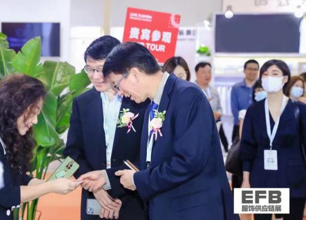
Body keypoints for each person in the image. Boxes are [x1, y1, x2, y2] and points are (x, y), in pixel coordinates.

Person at [99, 42, 237, 220]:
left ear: (134, 74)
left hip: (191, 211)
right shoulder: (152, 106)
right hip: (167, 208)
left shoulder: (188, 95)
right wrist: (107, 177)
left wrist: (138, 180)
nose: (120, 93)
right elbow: (153, 161)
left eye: (117, 84)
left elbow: (189, 161)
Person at [0, 74, 80, 220]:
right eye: (33, 113)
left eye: (37, 114)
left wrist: (51, 183)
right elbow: (6, 195)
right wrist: (50, 187)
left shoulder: (4, 138)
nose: (35, 121)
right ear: (15, 107)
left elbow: (19, 179)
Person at [65, 36, 148, 220]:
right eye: (90, 69)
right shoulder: (82, 103)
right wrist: (97, 189)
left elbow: (145, 154)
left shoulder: (139, 101)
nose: (95, 76)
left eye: (101, 69)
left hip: (132, 197)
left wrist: (113, 186)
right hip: (93, 198)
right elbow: (72, 152)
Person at [240, 60, 306, 220]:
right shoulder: (254, 110)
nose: (269, 77)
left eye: (275, 74)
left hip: (293, 179)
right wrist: (246, 181)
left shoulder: (300, 109)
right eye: (265, 74)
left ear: (285, 79)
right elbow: (247, 147)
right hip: (262, 177)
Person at [230, 59, 260, 143]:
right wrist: (240, 121)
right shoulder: (236, 88)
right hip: (239, 125)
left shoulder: (262, 88)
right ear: (244, 70)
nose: (252, 72)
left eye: (255, 69)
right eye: (250, 69)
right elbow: (234, 106)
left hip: (258, 126)